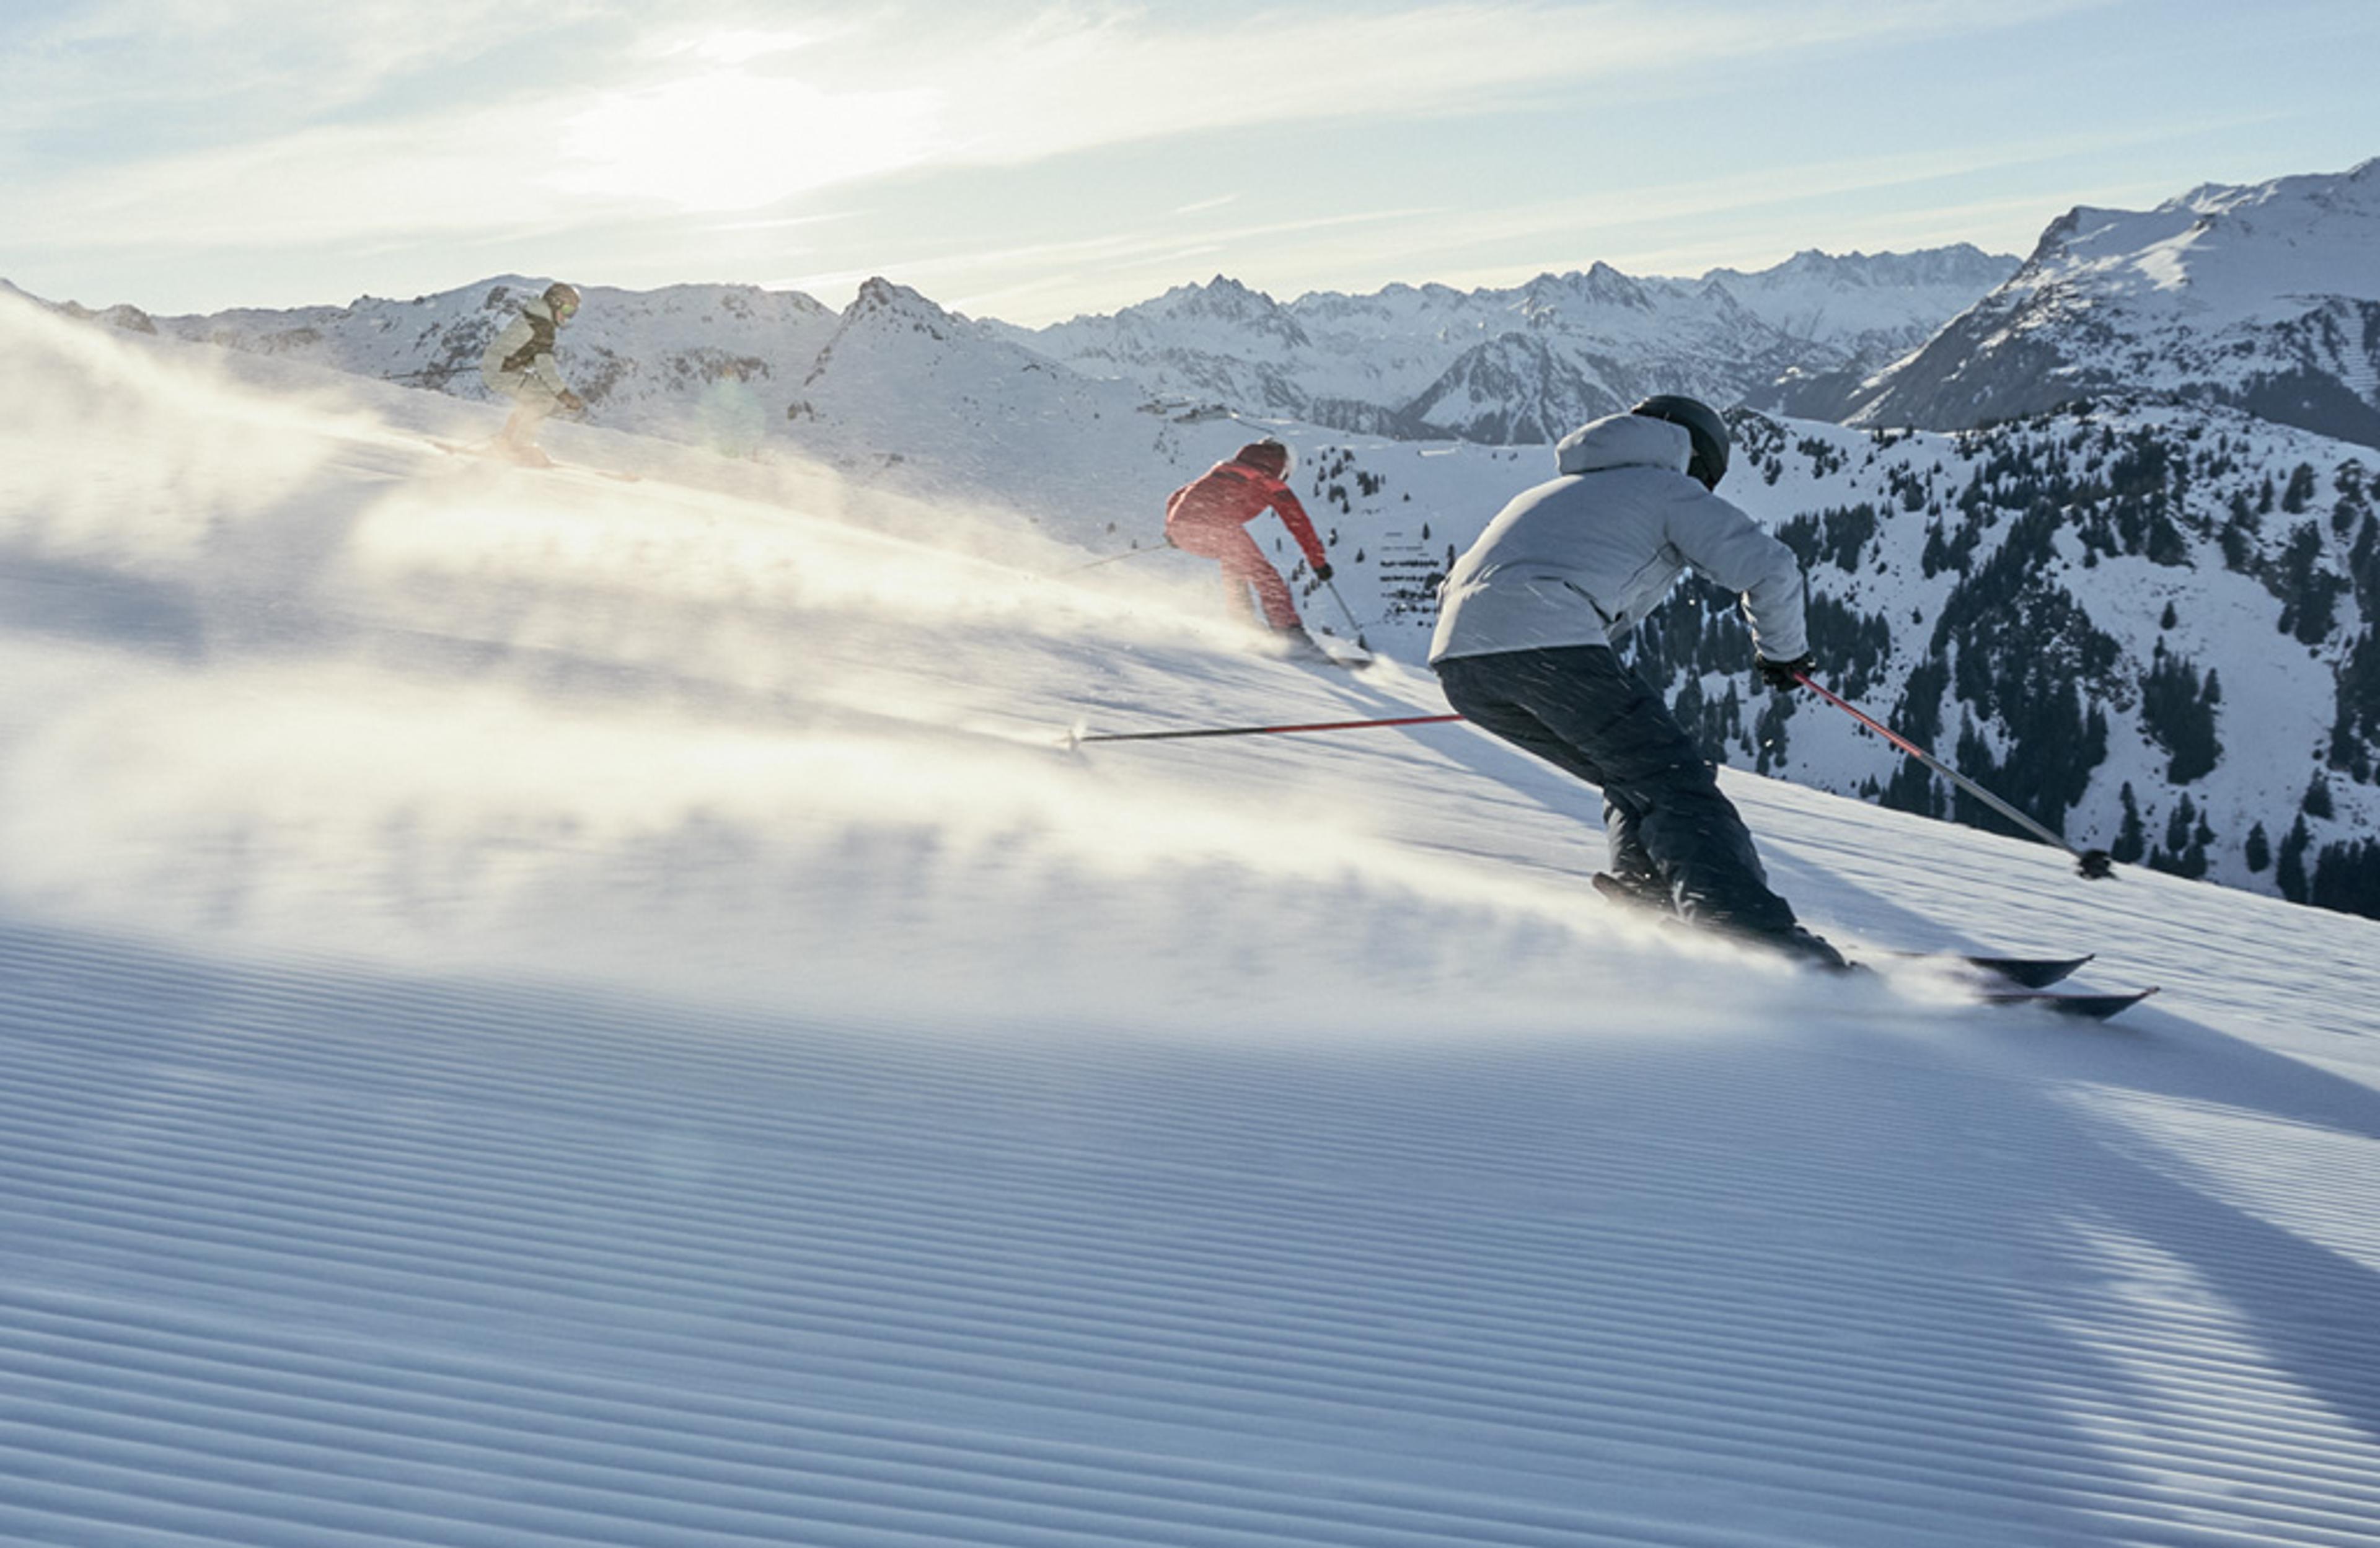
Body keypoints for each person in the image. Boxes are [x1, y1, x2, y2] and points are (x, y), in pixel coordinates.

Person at [1427, 395, 1848, 970]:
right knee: (1677, 781)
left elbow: (1465, 585)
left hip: (1461, 664)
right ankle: (1749, 934)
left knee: (1635, 778)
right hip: (1546, 645)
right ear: (1698, 458)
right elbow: (1770, 568)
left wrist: (1498, 665)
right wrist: (1783, 655)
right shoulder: (1665, 488)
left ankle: (1651, 909)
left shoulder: (1545, 495)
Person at [1165, 439, 1334, 652]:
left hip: (1184, 529)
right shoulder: (1269, 483)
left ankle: (1242, 621)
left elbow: (1177, 496)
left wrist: (1174, 531)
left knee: (1235, 563)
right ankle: (1289, 634)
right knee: (1265, 575)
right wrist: (1318, 563)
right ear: (1283, 467)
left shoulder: (1223, 468)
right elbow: (1300, 524)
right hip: (1217, 527)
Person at [479, 281, 587, 465]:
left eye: (573, 313)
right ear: (555, 303)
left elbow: (520, 347)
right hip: (501, 372)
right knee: (544, 398)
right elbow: (545, 366)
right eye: (568, 310)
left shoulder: (536, 316)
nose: (568, 317)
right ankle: (518, 448)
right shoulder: (542, 326)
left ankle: (506, 442)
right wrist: (563, 394)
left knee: (534, 397)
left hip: (500, 368)